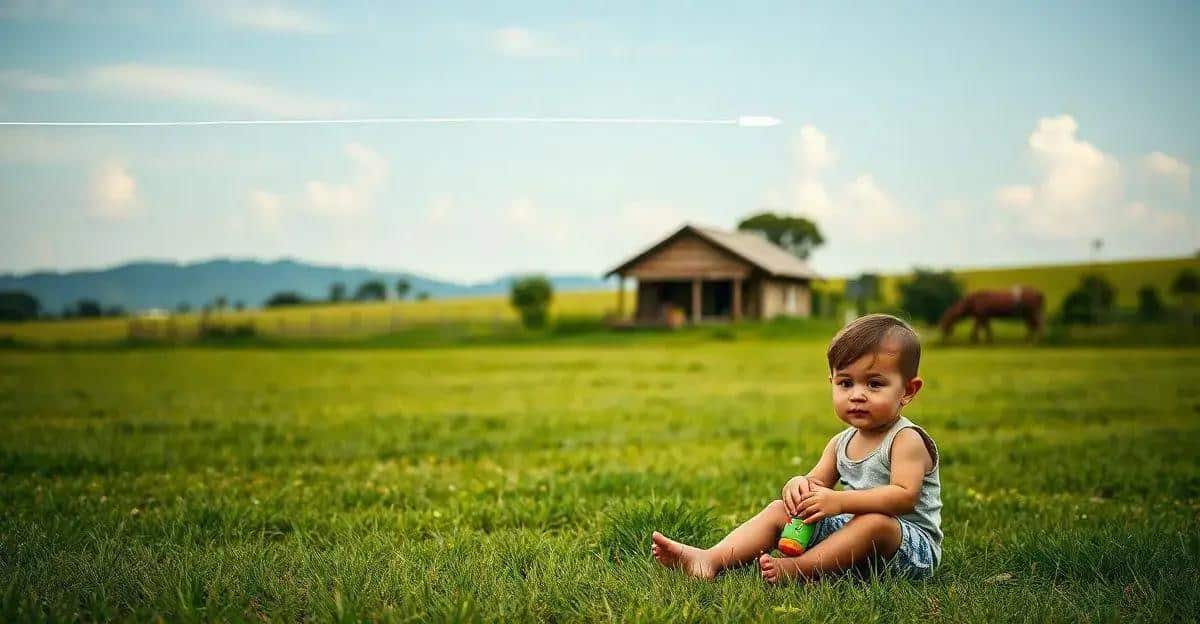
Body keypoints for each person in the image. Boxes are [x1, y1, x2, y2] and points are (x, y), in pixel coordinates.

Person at [651, 313, 943, 582]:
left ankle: (800, 570)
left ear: (908, 390)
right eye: (845, 383)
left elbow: (903, 497)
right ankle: (710, 559)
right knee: (780, 510)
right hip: (856, 545)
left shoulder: (906, 439)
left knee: (874, 524)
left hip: (907, 549)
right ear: (832, 382)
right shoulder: (841, 443)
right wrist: (799, 486)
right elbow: (816, 484)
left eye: (874, 384)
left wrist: (839, 502)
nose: (857, 395)